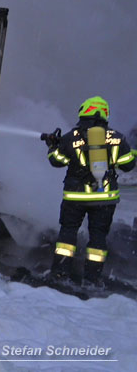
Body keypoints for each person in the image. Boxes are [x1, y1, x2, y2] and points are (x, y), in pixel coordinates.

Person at [45, 96, 135, 285]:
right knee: (98, 238)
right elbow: (128, 165)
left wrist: (53, 146)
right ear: (104, 113)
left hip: (75, 196)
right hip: (105, 198)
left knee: (68, 235)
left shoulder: (71, 137)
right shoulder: (117, 138)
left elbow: (57, 162)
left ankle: (60, 274)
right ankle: (92, 279)